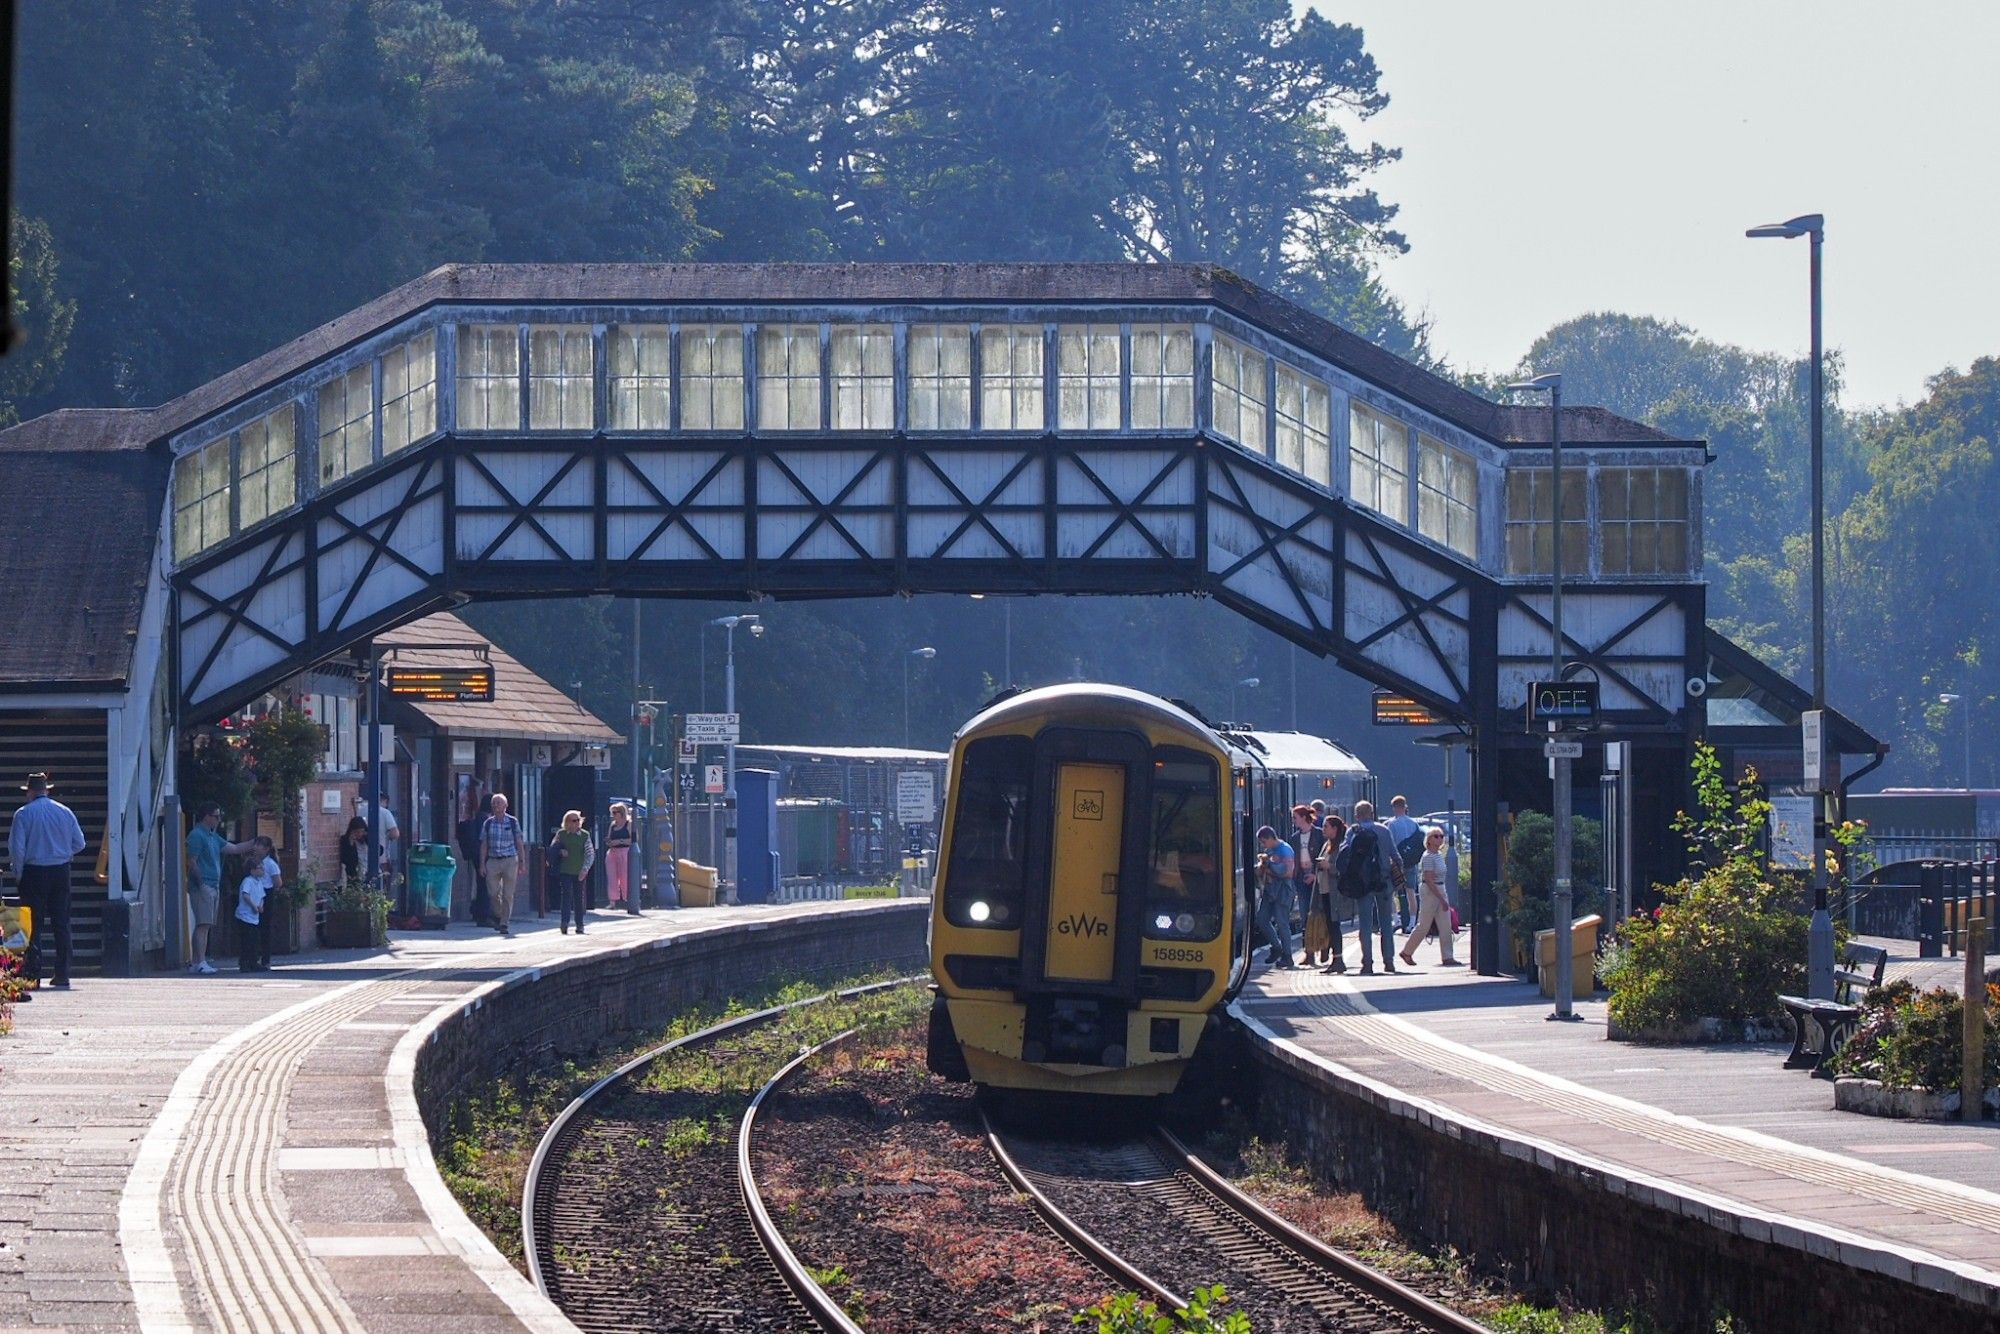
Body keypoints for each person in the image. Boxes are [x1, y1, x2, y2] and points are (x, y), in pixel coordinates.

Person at [8, 772, 86, 991]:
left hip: (34, 873)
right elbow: (79, 843)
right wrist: (62, 853)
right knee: (61, 923)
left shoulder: (23, 814)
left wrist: (19, 874)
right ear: (47, 790)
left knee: (34, 924)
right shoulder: (65, 812)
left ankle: (33, 973)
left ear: (30, 792)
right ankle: (62, 973)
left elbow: (17, 849)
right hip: (60, 872)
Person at [184, 802, 258, 976]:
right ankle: (200, 961)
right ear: (207, 817)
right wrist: (201, 883)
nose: (218, 820)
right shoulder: (197, 835)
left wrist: (255, 842)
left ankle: (198, 961)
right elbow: (192, 861)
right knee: (203, 924)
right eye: (216, 816)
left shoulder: (213, 837)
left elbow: (234, 848)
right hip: (204, 886)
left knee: (206, 924)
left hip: (213, 885)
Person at [1333, 799, 1405, 976]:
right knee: (1386, 922)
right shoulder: (1383, 830)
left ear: (1357, 816)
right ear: (1372, 813)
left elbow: (1344, 854)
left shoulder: (1353, 831)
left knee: (1365, 923)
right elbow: (1395, 855)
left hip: (1362, 883)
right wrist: (1398, 876)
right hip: (1384, 880)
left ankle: (1367, 963)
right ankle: (1389, 961)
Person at [1399, 826, 1462, 968]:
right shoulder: (1427, 857)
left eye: (1441, 836)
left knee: (1445, 924)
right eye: (1436, 836)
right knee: (1424, 925)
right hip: (1430, 891)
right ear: (1429, 840)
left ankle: (1448, 956)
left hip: (1440, 887)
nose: (1439, 838)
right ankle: (1407, 951)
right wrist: (1441, 898)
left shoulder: (1438, 855)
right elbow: (1428, 879)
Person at [1253, 825, 1297, 969]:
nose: (1263, 845)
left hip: (1283, 891)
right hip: (1270, 890)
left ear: (1271, 838)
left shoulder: (1285, 850)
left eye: (1264, 842)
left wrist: (1270, 867)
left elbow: (1289, 873)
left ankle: (1287, 955)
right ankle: (1276, 946)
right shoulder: (1269, 851)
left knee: (1282, 922)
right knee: (1262, 919)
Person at [479, 794, 524, 936]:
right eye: (494, 803)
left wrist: (522, 862)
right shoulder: (488, 823)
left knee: (508, 894)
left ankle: (504, 923)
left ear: (505, 806)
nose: (496, 805)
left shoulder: (512, 822)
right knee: (492, 892)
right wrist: (482, 864)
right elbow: (484, 844)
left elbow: (519, 842)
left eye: (499, 803)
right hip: (493, 860)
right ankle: (499, 915)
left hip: (510, 860)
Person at [1290, 804, 1329, 966]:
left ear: (1304, 818)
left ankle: (1325, 947)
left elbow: (1324, 855)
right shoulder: (1294, 838)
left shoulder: (1319, 835)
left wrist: (1315, 874)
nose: (1294, 821)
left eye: (1295, 817)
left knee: (1320, 914)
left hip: (1317, 879)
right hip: (1301, 878)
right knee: (1305, 915)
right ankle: (1309, 953)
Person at [236, 836, 278, 973]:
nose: (255, 847)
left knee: (260, 932)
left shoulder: (269, 864)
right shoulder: (249, 880)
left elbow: (275, 884)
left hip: (260, 902)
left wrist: (260, 904)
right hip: (248, 912)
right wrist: (255, 905)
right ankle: (247, 961)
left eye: (259, 845)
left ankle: (259, 960)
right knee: (249, 937)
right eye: (259, 868)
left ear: (266, 849)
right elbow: (245, 894)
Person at [550, 809, 595, 935]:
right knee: (566, 896)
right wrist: (560, 852)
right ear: (567, 822)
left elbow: (590, 853)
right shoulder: (561, 834)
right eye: (573, 820)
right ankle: (564, 923)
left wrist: (585, 869)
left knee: (578, 898)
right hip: (565, 870)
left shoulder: (584, 835)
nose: (576, 823)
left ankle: (579, 924)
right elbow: (553, 848)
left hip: (579, 870)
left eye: (577, 820)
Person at [1385, 795, 1425, 932]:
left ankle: (1396, 919)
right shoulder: (1414, 823)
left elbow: (1390, 845)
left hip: (1396, 863)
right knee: (1411, 892)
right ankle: (1412, 922)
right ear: (1405, 806)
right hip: (1412, 862)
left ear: (1395, 807)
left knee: (1390, 892)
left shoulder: (1392, 824)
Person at [1314, 813, 1348, 974]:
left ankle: (1339, 959)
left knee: (1334, 925)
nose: (1323, 829)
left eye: (1326, 826)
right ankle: (1335, 958)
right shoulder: (1327, 844)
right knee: (1330, 925)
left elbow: (1343, 869)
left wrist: (1329, 867)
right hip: (1324, 889)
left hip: (1335, 891)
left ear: (1335, 829)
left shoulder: (1341, 846)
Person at [605, 802, 636, 913]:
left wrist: (620, 841)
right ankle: (612, 901)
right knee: (612, 877)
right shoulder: (613, 825)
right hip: (613, 852)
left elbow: (632, 840)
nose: (613, 815)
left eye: (615, 813)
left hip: (624, 851)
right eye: (612, 813)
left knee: (625, 876)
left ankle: (627, 899)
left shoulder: (629, 824)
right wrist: (609, 842)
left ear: (621, 813)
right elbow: (609, 837)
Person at [337, 816, 369, 887]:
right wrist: (351, 844)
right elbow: (346, 860)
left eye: (362, 831)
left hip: (367, 871)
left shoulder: (367, 839)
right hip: (355, 874)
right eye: (357, 832)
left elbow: (379, 851)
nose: (359, 834)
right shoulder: (345, 840)